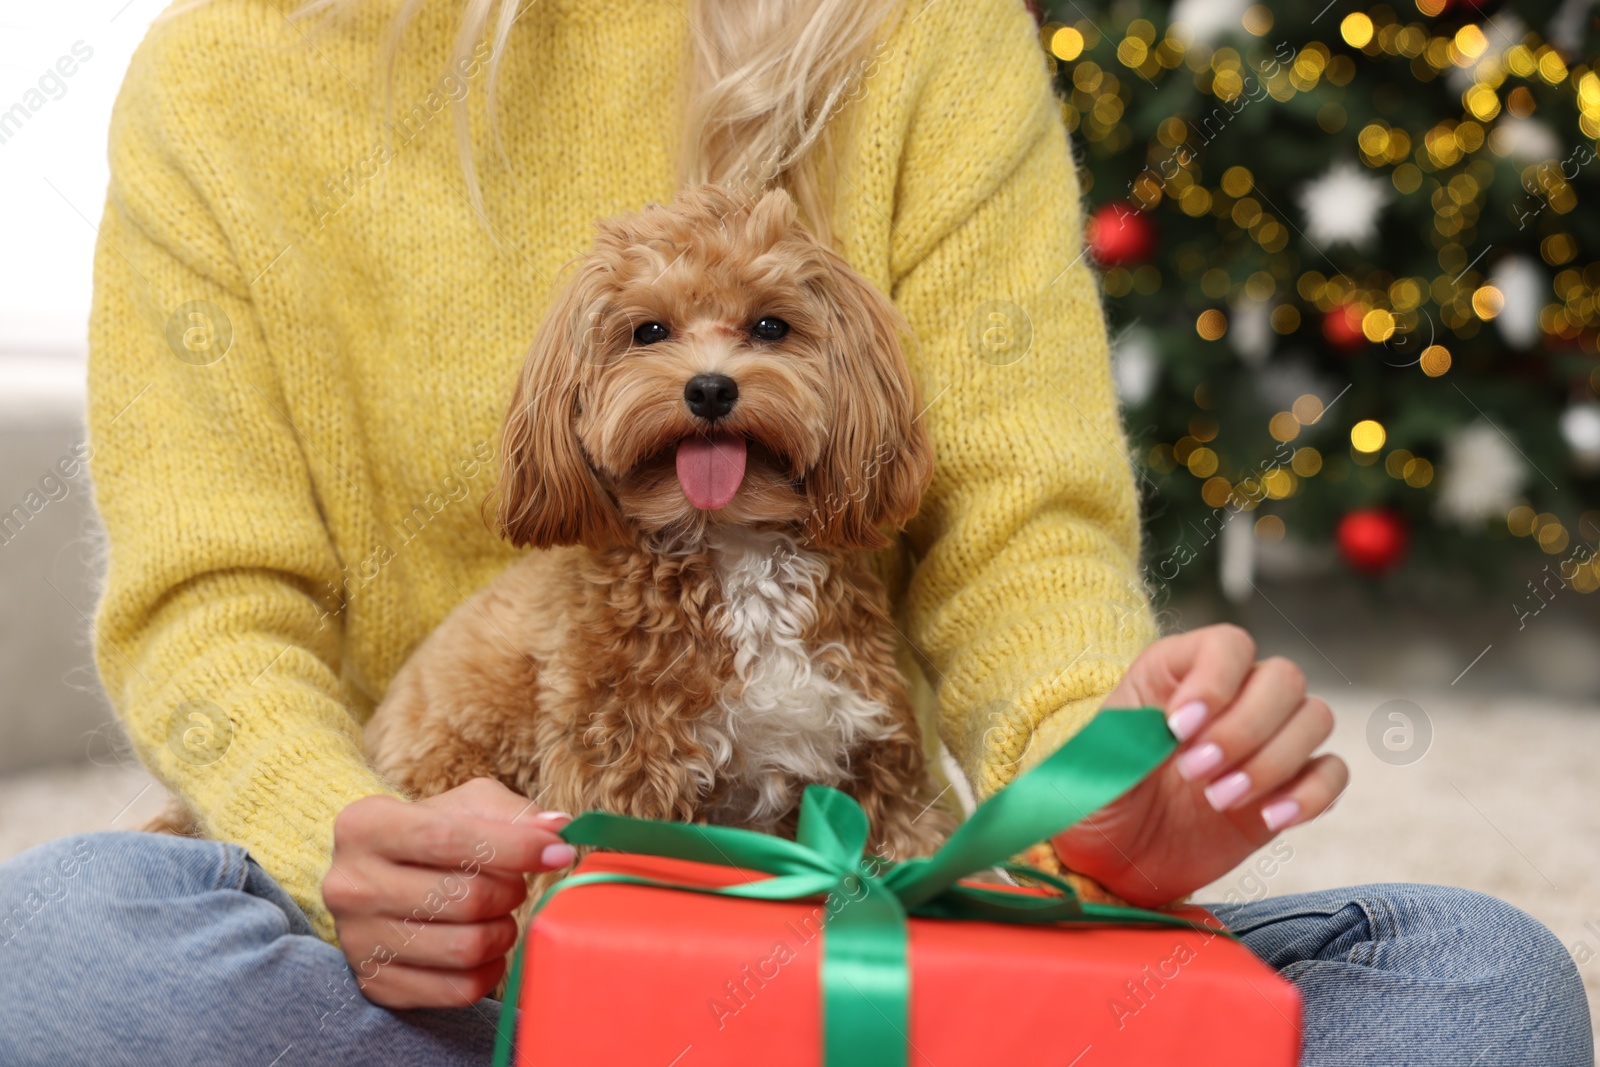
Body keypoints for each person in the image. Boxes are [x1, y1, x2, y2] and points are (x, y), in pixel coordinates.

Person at [0, 0, 1589, 1063]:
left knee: (1474, 984)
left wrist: (1094, 783)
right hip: (454, 975)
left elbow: (1013, 537)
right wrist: (336, 838)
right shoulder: (223, 69)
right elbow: (212, 605)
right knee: (70, 946)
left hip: (841, 947)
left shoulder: (918, 28)